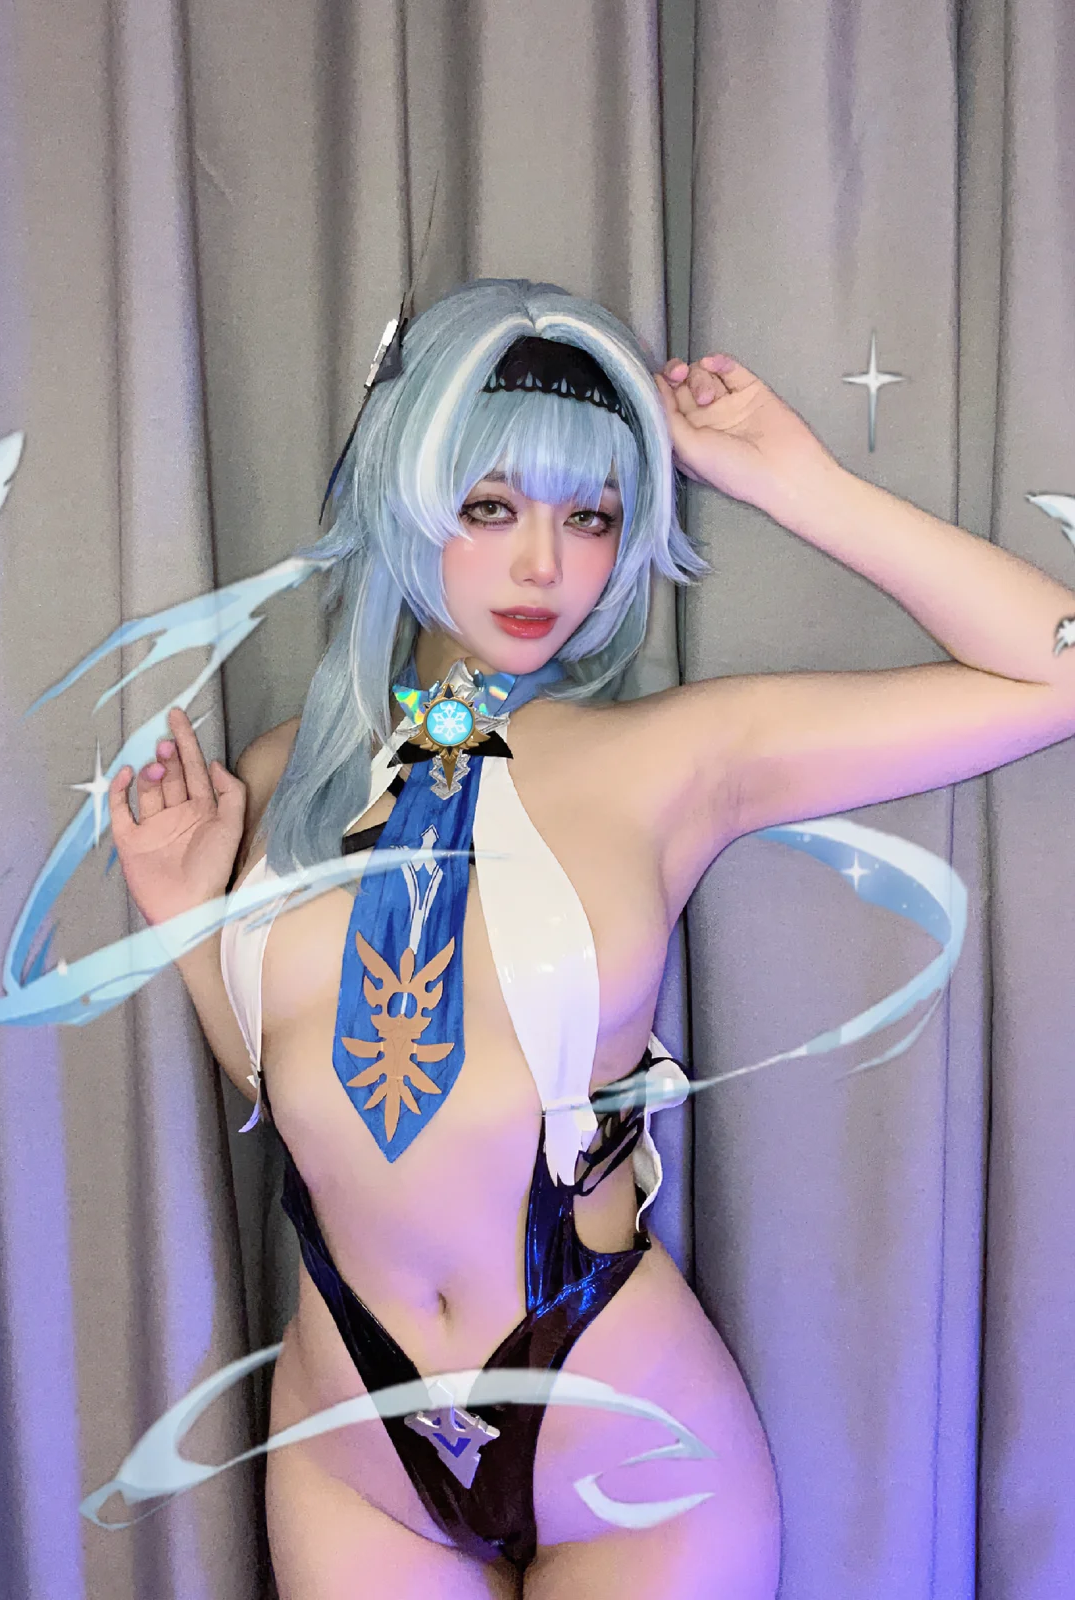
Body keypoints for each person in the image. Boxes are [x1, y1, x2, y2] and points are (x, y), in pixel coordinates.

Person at [107, 279, 1075, 1599]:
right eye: (490, 506)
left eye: (592, 516)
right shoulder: (286, 777)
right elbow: (307, 1099)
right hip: (353, 1453)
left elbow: (1056, 669)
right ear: (406, 492)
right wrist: (183, 920)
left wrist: (799, 486)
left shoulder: (673, 758)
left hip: (625, 1446)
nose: (543, 567)